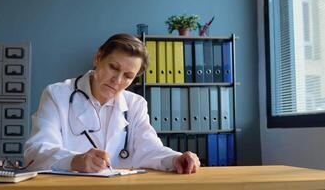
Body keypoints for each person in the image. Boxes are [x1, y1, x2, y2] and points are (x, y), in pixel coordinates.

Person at [24, 33, 200, 174]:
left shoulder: (135, 104)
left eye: (128, 76)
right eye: (113, 68)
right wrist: (75, 161)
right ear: (98, 58)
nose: (117, 80)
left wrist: (175, 159)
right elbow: (36, 152)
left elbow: (149, 149)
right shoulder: (57, 95)